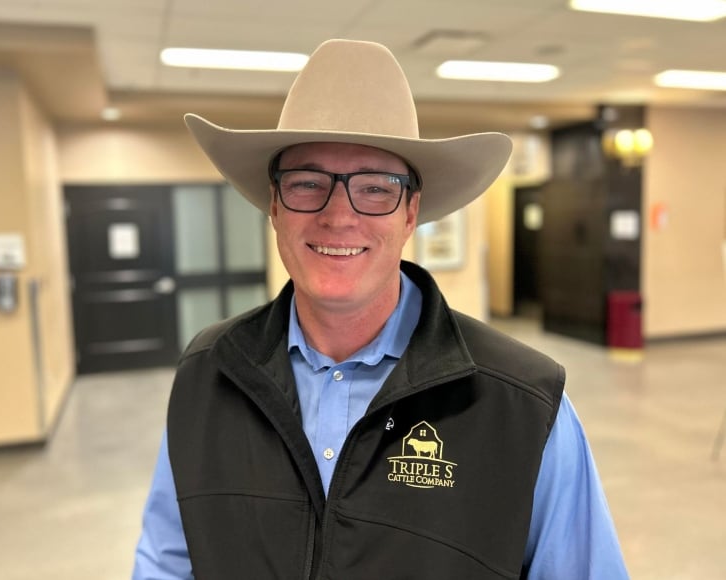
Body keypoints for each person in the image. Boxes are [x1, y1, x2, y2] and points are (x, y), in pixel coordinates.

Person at [132, 39, 628, 579]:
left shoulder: (523, 404)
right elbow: (166, 562)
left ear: (411, 212)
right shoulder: (209, 374)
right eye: (307, 183)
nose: (339, 216)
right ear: (274, 206)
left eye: (374, 188)